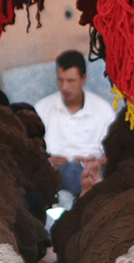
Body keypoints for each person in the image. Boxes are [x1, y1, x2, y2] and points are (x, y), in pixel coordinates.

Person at [35, 50, 116, 197]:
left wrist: (97, 162)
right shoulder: (42, 108)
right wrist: (47, 160)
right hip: (52, 174)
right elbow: (28, 150)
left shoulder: (103, 110)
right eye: (60, 80)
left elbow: (115, 153)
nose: (64, 87)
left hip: (90, 175)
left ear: (83, 78)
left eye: (71, 81)